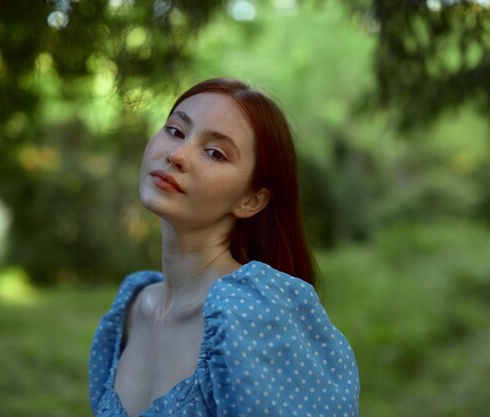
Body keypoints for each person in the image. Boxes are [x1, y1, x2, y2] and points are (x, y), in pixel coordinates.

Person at [89, 78, 360, 417]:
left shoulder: (254, 314)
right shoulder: (131, 307)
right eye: (175, 131)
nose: (177, 155)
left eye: (215, 153)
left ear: (251, 200)